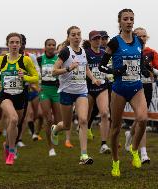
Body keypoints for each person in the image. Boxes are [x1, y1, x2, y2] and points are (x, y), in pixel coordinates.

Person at [99, 9, 150, 176]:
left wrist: (143, 69)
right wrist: (115, 71)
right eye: (125, 19)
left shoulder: (138, 41)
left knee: (142, 119)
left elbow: (140, 59)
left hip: (136, 87)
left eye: (131, 19)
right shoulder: (114, 42)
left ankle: (134, 150)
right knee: (115, 128)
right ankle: (115, 162)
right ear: (119, 22)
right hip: (119, 89)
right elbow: (101, 66)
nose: (129, 21)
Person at [0, 32, 38, 165]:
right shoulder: (1, 59)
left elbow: (36, 77)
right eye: (12, 42)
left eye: (17, 42)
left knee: (16, 123)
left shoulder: (25, 60)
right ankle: (11, 151)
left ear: (20, 45)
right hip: (5, 95)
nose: (15, 45)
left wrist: (25, 77)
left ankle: (7, 144)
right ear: (7, 44)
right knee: (13, 118)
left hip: (20, 95)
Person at [51, 26, 96, 165]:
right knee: (66, 125)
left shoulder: (84, 52)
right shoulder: (65, 52)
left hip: (81, 91)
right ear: (69, 37)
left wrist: (93, 78)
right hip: (66, 92)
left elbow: (86, 67)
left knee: (83, 120)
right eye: (73, 35)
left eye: (78, 34)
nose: (76, 37)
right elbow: (54, 71)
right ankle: (55, 128)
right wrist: (69, 68)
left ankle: (83, 155)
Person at [125, 27, 158, 164]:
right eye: (139, 36)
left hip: (147, 86)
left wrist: (150, 68)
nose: (142, 38)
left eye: (144, 36)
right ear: (134, 37)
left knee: (141, 118)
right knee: (141, 119)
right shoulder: (128, 51)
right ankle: (143, 153)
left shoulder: (151, 52)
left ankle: (129, 136)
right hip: (132, 87)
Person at [85, 31, 111, 154]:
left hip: (102, 87)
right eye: (95, 39)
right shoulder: (86, 53)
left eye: (99, 39)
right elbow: (84, 69)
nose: (98, 41)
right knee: (85, 117)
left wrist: (110, 75)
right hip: (88, 88)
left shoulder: (104, 54)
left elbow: (108, 68)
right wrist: (93, 79)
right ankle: (84, 134)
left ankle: (104, 144)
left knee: (105, 113)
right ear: (90, 41)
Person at [37, 38, 62, 156]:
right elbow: (34, 73)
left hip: (56, 91)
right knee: (48, 119)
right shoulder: (40, 59)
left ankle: (55, 133)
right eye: (49, 45)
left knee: (58, 121)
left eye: (53, 45)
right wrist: (37, 86)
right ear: (45, 47)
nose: (51, 47)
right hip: (45, 91)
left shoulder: (59, 59)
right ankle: (51, 148)